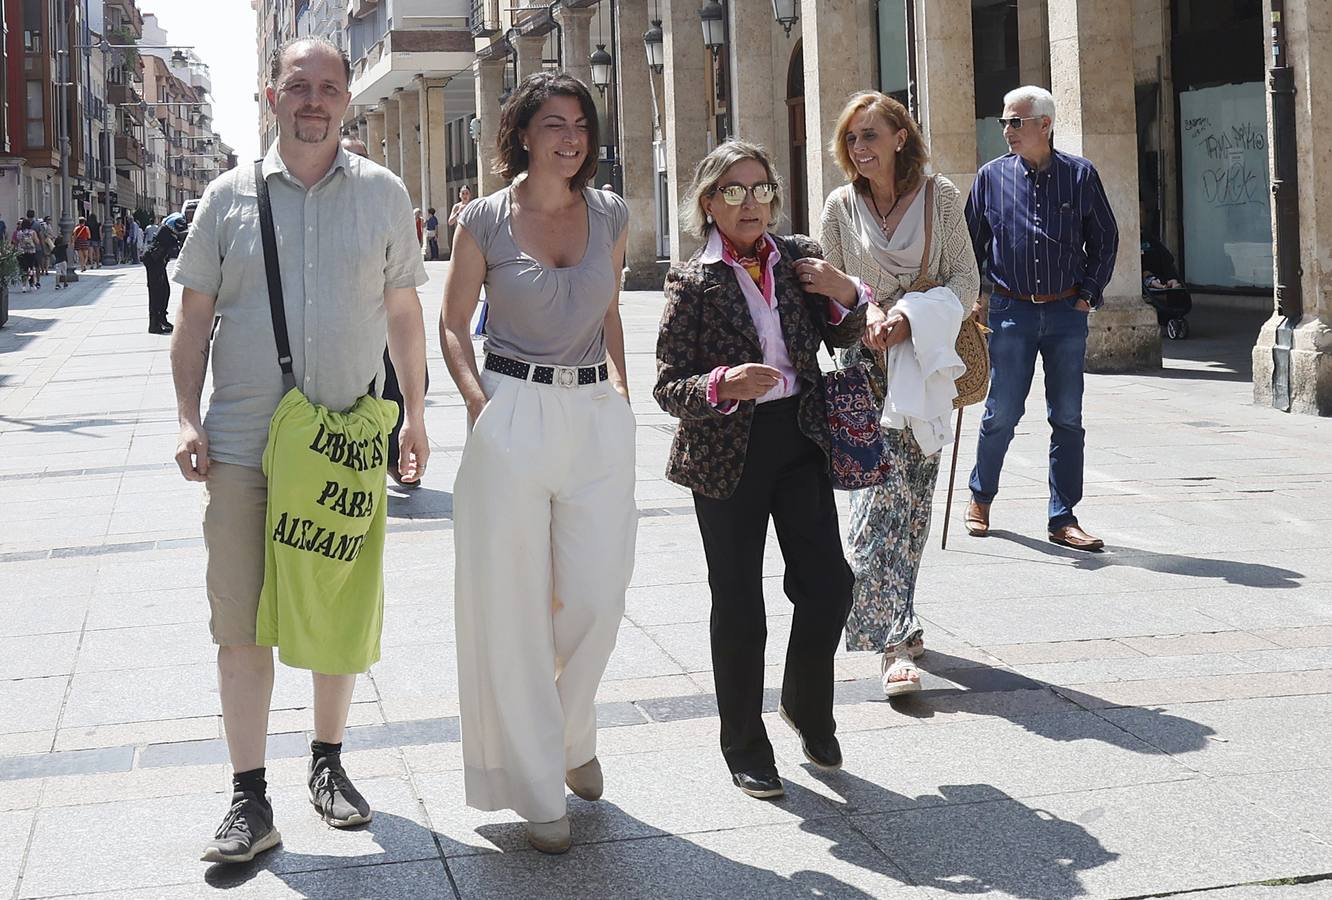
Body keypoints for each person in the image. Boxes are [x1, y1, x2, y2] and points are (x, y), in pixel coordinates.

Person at [170, 35, 430, 865]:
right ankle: (249, 800)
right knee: (240, 623)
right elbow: (191, 321)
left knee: (334, 613)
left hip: (347, 447)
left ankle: (328, 766)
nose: (314, 100)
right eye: (298, 86)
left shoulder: (385, 195)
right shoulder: (225, 198)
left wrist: (414, 414)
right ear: (270, 97)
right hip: (246, 446)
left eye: (328, 86)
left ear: (348, 99)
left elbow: (402, 316)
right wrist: (185, 415)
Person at [440, 72, 635, 855]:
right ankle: (535, 786)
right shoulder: (484, 220)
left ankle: (572, 731)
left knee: (597, 596)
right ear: (523, 132)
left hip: (592, 415)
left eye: (580, 124)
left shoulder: (611, 212)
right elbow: (454, 324)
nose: (570, 137)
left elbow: (612, 308)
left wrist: (621, 389)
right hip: (511, 408)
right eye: (553, 123)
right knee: (513, 609)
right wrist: (478, 407)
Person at [655, 140, 868, 801]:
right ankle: (745, 744)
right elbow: (668, 387)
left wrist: (847, 292)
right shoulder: (691, 282)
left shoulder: (799, 258)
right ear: (709, 203)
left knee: (830, 583)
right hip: (724, 454)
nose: (752, 204)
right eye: (735, 191)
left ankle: (805, 704)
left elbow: (841, 333)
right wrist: (724, 384)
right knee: (741, 605)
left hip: (798, 439)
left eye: (762, 189)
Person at [816, 92, 980, 696]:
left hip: (925, 367)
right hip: (863, 368)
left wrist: (910, 317)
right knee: (871, 511)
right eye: (852, 139)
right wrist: (866, 314)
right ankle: (893, 640)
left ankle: (898, 634)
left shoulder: (940, 199)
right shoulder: (839, 207)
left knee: (910, 509)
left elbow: (967, 281)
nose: (860, 149)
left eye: (871, 136)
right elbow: (829, 297)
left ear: (900, 138)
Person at [965, 85, 1119, 551]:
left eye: (1016, 121)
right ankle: (980, 496)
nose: (1007, 130)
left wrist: (1089, 294)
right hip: (1011, 310)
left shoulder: (1080, 175)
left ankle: (1062, 516)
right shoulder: (990, 177)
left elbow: (1106, 236)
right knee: (1002, 413)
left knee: (1068, 417)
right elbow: (969, 245)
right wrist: (973, 298)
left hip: (1066, 310)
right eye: (1005, 122)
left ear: (1044, 124)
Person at [340, 134, 430, 489]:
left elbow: (406, 299)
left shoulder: (384, 204)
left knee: (403, 387)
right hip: (350, 336)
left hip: (386, 325)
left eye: (364, 158)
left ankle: (397, 457)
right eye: (350, 159)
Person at [144, 214, 186, 335]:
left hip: (157, 261)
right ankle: (154, 324)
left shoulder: (167, 230)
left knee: (164, 290)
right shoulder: (166, 233)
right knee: (156, 293)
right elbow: (174, 249)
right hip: (154, 261)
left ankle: (162, 318)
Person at [13, 219, 40, 292]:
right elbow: (37, 242)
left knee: (23, 269)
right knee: (30, 268)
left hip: (21, 252)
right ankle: (31, 284)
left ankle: (24, 285)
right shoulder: (32, 232)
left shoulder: (19, 233)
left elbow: (16, 242)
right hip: (31, 252)